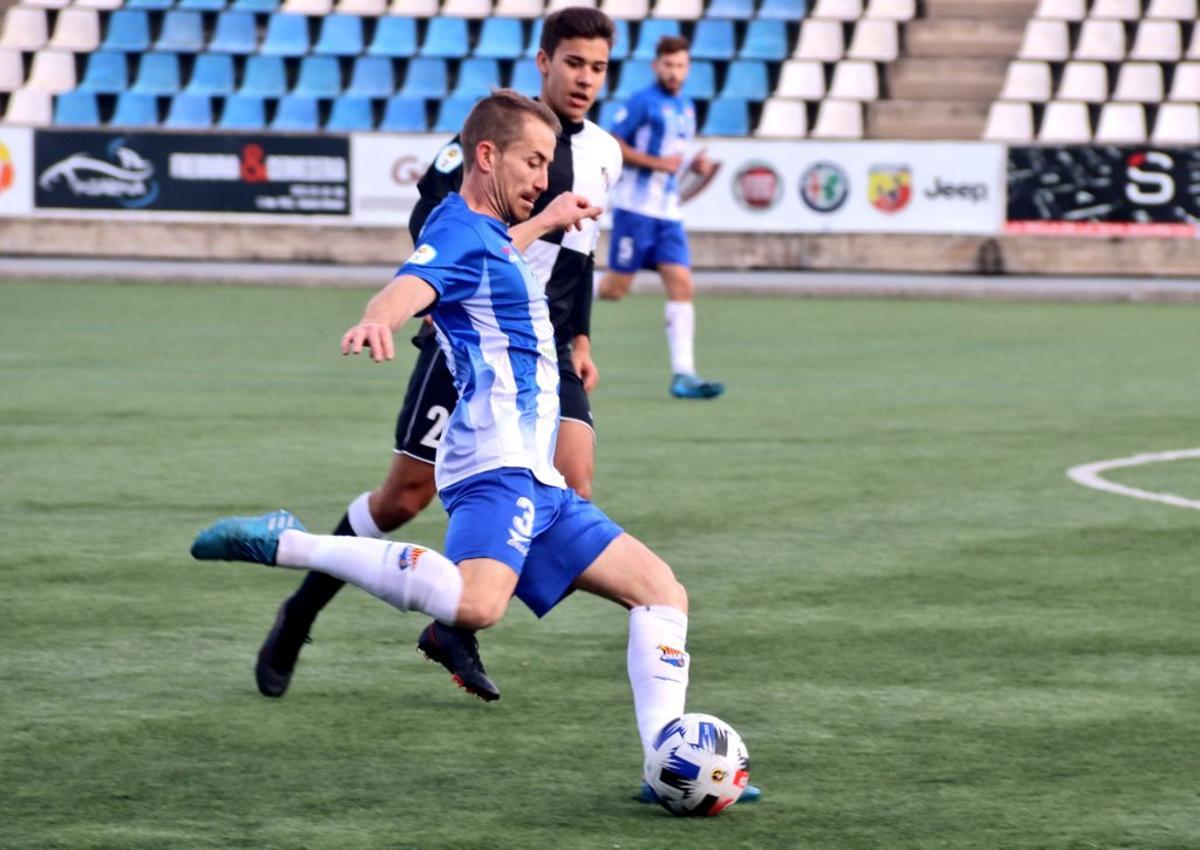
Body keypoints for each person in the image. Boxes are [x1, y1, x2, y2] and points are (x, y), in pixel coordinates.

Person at [192, 90, 760, 805]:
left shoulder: (487, 231)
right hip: (496, 464)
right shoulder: (458, 230)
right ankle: (288, 543)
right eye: (533, 162)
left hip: (536, 474)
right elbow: (412, 282)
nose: (543, 178)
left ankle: (664, 765)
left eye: (548, 165)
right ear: (487, 156)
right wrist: (379, 318)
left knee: (662, 594)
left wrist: (547, 220)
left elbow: (488, 257)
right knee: (477, 604)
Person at [252, 7, 624, 703]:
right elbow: (438, 231)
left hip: (544, 351)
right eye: (573, 62)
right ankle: (301, 611)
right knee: (403, 499)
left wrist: (581, 338)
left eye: (598, 67)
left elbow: (582, 255)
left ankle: (460, 618)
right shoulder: (491, 139)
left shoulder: (606, 153)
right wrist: (388, 310)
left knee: (571, 487)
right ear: (544, 62)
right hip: (468, 343)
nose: (585, 78)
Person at [597, 36, 724, 401]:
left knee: (683, 285)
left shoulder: (687, 107)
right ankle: (566, 280)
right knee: (615, 290)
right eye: (668, 65)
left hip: (668, 214)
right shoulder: (643, 102)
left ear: (688, 68)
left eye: (680, 65)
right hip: (635, 211)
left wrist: (692, 166)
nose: (674, 72)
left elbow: (673, 161)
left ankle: (684, 374)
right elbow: (614, 142)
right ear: (656, 66)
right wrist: (658, 163)